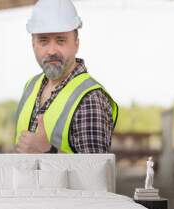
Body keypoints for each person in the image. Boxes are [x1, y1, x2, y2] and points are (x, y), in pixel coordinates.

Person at [14, 0, 119, 154]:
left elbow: (94, 175)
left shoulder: (89, 98)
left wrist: (49, 152)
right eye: (43, 41)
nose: (51, 51)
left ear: (76, 43)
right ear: (33, 44)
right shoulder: (31, 86)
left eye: (60, 40)